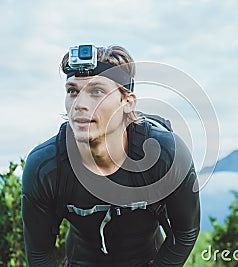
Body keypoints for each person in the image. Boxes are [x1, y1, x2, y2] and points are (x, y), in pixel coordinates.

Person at [22, 44, 200, 267]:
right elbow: (39, 253)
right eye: (72, 91)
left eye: (96, 91)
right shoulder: (46, 167)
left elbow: (184, 233)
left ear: (127, 102)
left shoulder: (166, 155)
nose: (79, 104)